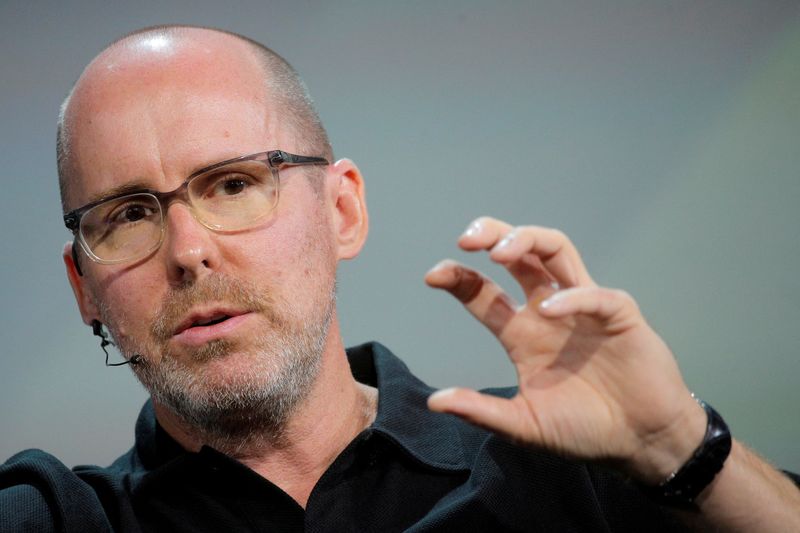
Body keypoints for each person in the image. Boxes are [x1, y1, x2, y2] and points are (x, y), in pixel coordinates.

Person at [1, 24, 798, 532]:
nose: (188, 249)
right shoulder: (57, 517)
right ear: (84, 287)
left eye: (235, 185)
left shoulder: (561, 465)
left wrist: (680, 449)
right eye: (128, 214)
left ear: (342, 209)